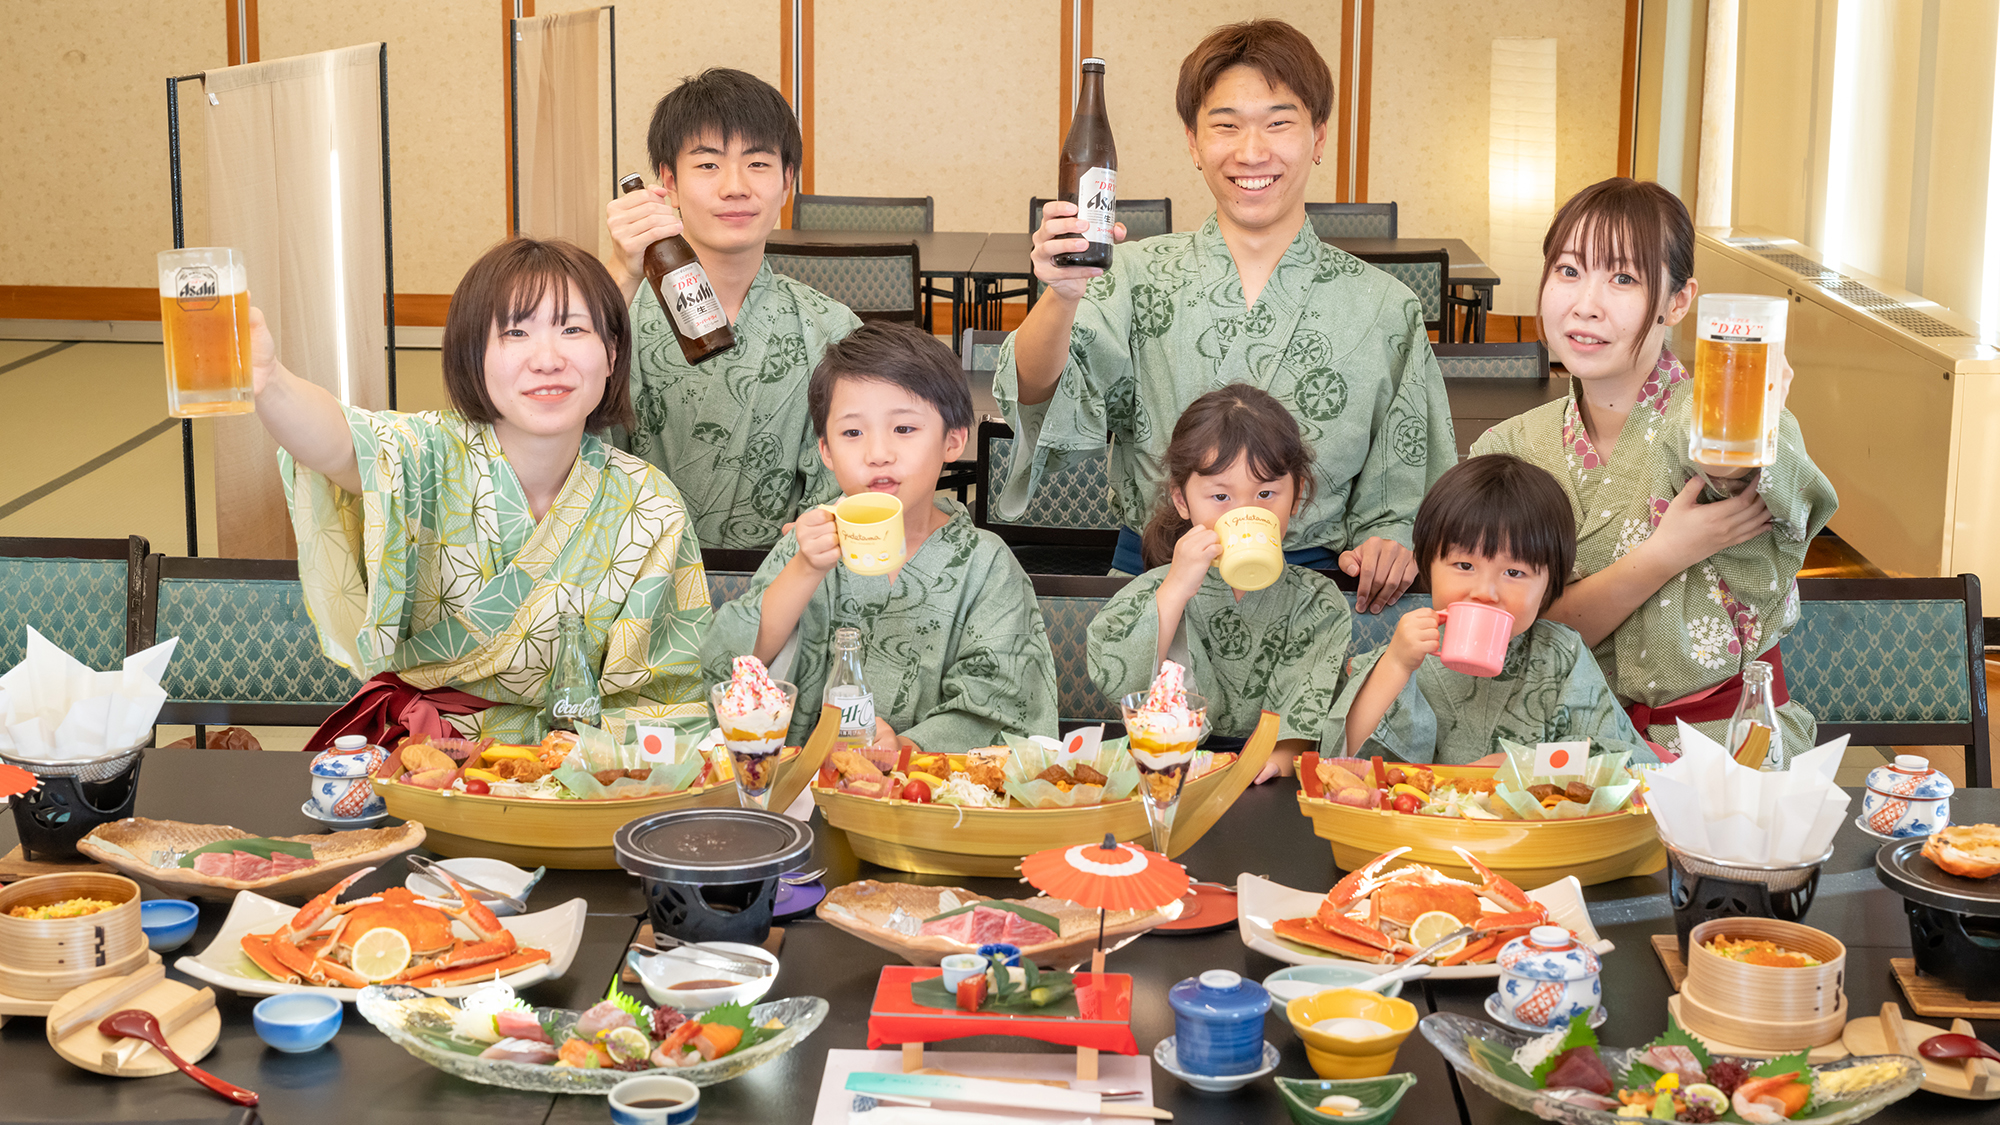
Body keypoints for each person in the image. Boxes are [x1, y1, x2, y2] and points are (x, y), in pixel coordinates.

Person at [993, 18, 1455, 612]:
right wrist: (1061, 294)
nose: (1252, 151)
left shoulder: (1387, 308)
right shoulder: (1132, 276)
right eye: (1226, 125)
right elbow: (1035, 394)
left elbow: (1412, 488)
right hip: (1155, 594)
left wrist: (1390, 544)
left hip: (1318, 604)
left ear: (1318, 136)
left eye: (1279, 123)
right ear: (1193, 142)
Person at [258, 238, 713, 751]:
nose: (547, 359)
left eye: (573, 329)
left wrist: (553, 760)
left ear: (611, 353)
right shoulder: (429, 453)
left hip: (578, 771)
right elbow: (341, 444)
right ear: (474, 357)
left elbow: (667, 698)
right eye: (516, 332)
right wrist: (268, 380)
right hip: (429, 763)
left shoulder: (649, 505)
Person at [1472, 178, 1837, 758]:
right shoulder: (1508, 448)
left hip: (1727, 744)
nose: (1585, 303)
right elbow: (1514, 642)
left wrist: (1746, 443)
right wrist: (1664, 554)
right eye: (1568, 271)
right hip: (1564, 749)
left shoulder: (1714, 423)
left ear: (1679, 301)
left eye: (1623, 278)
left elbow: (1749, 472)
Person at [703, 323, 1059, 752]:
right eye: (852, 433)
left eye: (904, 429)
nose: (877, 453)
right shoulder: (808, 543)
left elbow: (1003, 698)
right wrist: (803, 569)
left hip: (933, 796)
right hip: (805, 788)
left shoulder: (986, 564)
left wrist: (906, 746)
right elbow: (737, 667)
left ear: (953, 439)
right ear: (826, 452)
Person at [603, 67, 862, 549]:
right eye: (707, 165)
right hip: (638, 589)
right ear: (667, 183)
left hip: (781, 590)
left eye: (758, 164)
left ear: (787, 182)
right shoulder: (620, 309)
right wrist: (619, 273)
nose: (735, 187)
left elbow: (850, 480)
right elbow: (553, 434)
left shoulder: (832, 326)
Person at [1086, 385, 1350, 781]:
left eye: (1266, 493)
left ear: (1295, 497)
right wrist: (1175, 589)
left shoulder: (1317, 601)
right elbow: (1119, 675)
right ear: (1182, 500)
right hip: (1168, 764)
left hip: (1271, 774)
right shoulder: (1157, 587)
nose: (1245, 511)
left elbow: (1307, 707)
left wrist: (1276, 761)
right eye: (1220, 496)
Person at [1330, 455, 1650, 766]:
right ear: (1428, 566)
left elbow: (1624, 760)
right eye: (1464, 565)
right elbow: (1343, 757)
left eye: (1514, 573)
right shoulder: (1410, 647)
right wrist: (1396, 664)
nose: (1485, 592)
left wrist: (1528, 763)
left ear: (1550, 585)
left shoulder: (1562, 654)